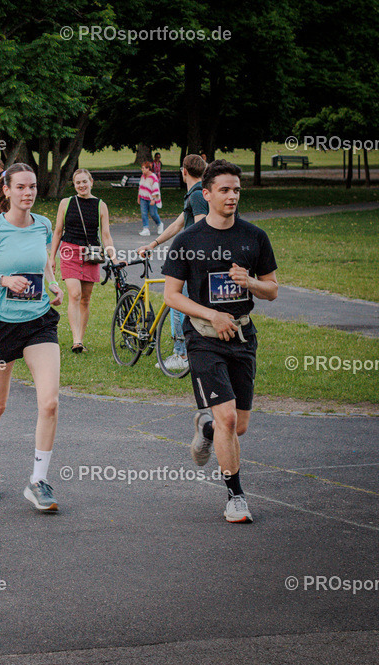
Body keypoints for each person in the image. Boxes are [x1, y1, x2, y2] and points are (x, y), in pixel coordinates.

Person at [162, 160, 278, 524]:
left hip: (242, 337)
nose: (232, 196)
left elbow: (272, 289)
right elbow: (171, 295)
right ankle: (235, 496)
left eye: (237, 190)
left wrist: (250, 282)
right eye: (225, 190)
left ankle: (207, 428)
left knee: (237, 426)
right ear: (207, 194)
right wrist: (211, 315)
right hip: (204, 338)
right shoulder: (188, 240)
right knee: (227, 418)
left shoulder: (254, 237)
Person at [0, 163, 64, 510]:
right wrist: (2, 281)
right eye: (20, 187)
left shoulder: (44, 225)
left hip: (39, 323)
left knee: (49, 402)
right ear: (6, 190)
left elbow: (45, 260)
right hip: (1, 325)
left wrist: (52, 283)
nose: (28, 193)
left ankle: (38, 481)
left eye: (32, 186)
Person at [139, 154, 210, 374]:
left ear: (184, 171)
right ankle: (188, 352)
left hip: (192, 261)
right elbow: (178, 224)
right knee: (180, 305)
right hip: (191, 259)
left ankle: (182, 355)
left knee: (178, 305)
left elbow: (200, 228)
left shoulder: (197, 195)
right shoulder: (195, 194)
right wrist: (154, 243)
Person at [51, 168, 120, 353]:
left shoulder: (100, 205)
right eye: (78, 183)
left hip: (91, 254)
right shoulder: (66, 203)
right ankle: (76, 340)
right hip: (69, 251)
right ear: (74, 185)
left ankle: (80, 339)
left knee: (86, 299)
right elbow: (58, 232)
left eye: (84, 181)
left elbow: (106, 235)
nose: (81, 185)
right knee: (74, 294)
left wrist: (114, 258)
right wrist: (52, 258)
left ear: (91, 182)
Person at [138, 161, 163, 237]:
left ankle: (159, 224)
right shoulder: (143, 176)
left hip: (151, 199)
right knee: (144, 213)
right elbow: (140, 187)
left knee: (153, 214)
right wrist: (138, 197)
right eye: (142, 168)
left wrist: (153, 199)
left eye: (144, 168)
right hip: (143, 198)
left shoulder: (153, 177)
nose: (142, 170)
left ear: (148, 169)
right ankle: (146, 229)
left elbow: (155, 189)